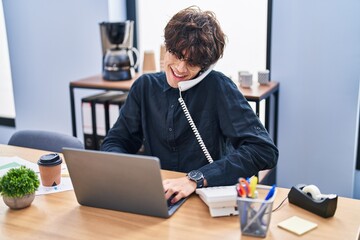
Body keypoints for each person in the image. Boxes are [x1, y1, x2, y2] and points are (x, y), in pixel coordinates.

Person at [101, 6, 278, 204]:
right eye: (176, 54)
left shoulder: (218, 87)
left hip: (205, 197)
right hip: (160, 195)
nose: (180, 68)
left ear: (205, 66)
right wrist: (129, 173)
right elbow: (114, 142)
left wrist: (196, 178)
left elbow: (264, 151)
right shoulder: (145, 87)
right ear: (166, 47)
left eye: (192, 62)